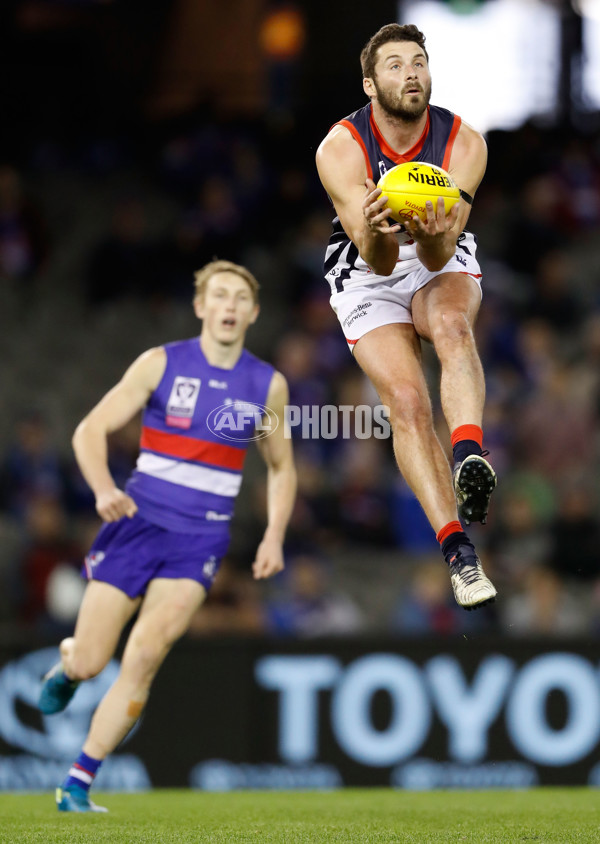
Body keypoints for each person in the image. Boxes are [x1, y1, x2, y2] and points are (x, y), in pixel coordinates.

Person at [38, 259, 297, 812]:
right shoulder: (160, 364)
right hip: (136, 527)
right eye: (218, 296)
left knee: (145, 655)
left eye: (239, 298)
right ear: (201, 306)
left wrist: (274, 534)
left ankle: (77, 784)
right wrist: (104, 487)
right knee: (90, 662)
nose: (228, 306)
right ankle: (68, 663)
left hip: (198, 543)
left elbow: (280, 466)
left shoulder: (266, 385)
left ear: (253, 313)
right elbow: (90, 430)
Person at [315, 23, 497, 609]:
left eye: (418, 61)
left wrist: (434, 232)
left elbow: (442, 250)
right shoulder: (340, 149)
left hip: (435, 248)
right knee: (408, 404)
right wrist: (383, 228)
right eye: (394, 65)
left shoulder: (464, 144)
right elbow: (376, 254)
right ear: (370, 84)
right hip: (366, 263)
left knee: (450, 325)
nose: (410, 72)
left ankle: (469, 452)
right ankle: (459, 556)